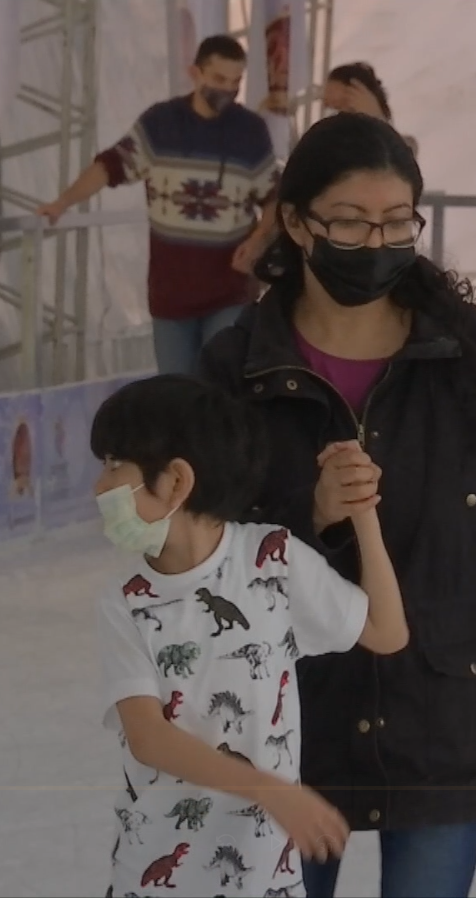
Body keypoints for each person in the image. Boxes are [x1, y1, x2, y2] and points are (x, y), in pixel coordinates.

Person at [200, 113, 476, 898]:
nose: (375, 243)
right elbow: (193, 543)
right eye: (348, 221)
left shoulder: (464, 350)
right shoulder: (237, 366)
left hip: (442, 713)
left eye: (396, 221)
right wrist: (306, 513)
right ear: (295, 223)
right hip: (284, 722)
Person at [91, 374, 409, 897]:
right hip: (154, 880)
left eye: (112, 464)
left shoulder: (271, 560)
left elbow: (386, 631)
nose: (99, 487)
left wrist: (364, 514)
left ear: (176, 480)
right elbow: (148, 737)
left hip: (263, 877)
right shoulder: (126, 600)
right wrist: (269, 789)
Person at [37, 36, 280, 376]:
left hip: (230, 289)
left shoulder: (250, 131)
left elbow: (274, 198)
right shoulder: (161, 123)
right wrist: (62, 202)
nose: (228, 89)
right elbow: (110, 166)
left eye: (235, 81)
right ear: (195, 73)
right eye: (219, 79)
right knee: (175, 390)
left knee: (220, 384)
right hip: (171, 293)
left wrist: (258, 240)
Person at [323, 63, 418, 154]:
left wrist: (376, 119)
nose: (338, 118)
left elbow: (401, 157)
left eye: (348, 108)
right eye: (332, 109)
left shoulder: (404, 147)